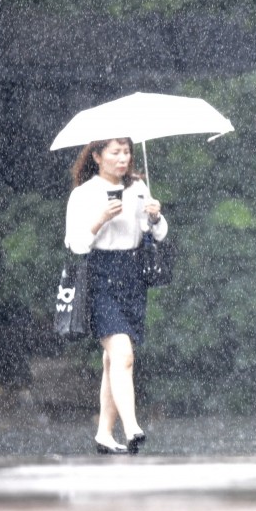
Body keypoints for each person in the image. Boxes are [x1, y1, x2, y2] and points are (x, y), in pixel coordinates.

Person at [64, 137, 168, 455]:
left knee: (113, 360)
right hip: (100, 276)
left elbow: (158, 234)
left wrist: (154, 216)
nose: (123, 159)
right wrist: (100, 219)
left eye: (126, 152)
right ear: (97, 156)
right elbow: (76, 245)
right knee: (123, 355)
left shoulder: (137, 186)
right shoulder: (84, 194)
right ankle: (132, 426)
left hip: (133, 274)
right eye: (115, 152)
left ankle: (104, 434)